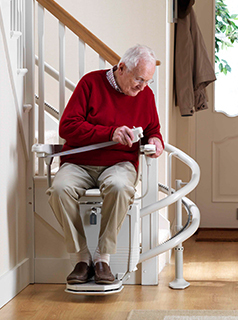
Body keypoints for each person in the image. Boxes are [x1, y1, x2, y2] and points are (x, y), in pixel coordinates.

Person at [47, 44, 164, 285]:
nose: (143, 87)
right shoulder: (90, 83)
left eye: (147, 81)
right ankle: (82, 258)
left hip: (120, 163)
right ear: (122, 68)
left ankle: (102, 258)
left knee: (120, 187)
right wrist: (109, 133)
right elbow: (67, 127)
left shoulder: (145, 95)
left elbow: (153, 129)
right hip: (78, 162)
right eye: (139, 79)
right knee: (59, 190)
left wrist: (156, 140)